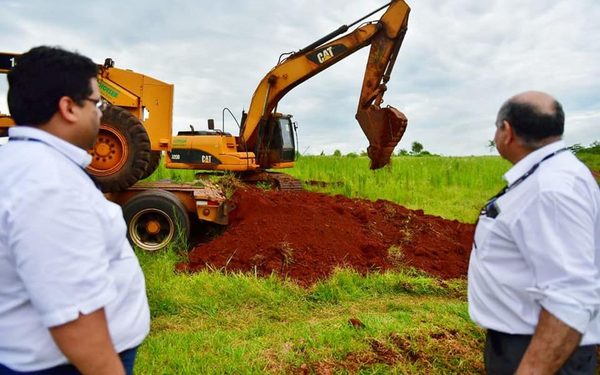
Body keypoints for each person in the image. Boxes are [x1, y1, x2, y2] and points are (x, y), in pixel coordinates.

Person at [0, 46, 150, 374]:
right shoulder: (51, 187)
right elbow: (76, 318)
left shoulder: (21, 164)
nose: (101, 113)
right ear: (68, 107)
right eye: (96, 103)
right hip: (66, 364)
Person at [468, 91, 600, 374]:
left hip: (538, 349)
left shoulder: (550, 190)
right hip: (531, 341)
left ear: (506, 131)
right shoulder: (554, 175)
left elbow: (572, 298)